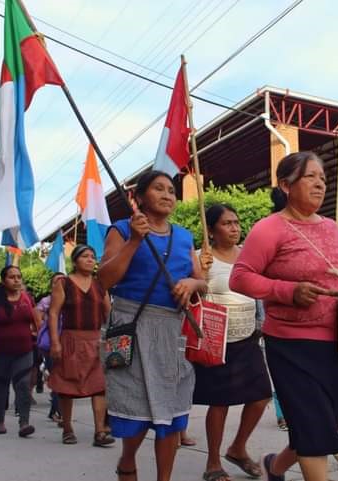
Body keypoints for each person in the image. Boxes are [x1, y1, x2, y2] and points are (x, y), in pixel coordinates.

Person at [229, 152, 338, 481]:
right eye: (310, 177)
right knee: (314, 430)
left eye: (323, 178)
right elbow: (240, 277)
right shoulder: (269, 229)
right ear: (286, 185)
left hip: (335, 345)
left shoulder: (331, 228)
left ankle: (275, 466)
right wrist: (288, 291)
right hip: (291, 345)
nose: (319, 184)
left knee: (318, 425)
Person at [98, 170, 207, 481]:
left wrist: (191, 283)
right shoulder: (120, 230)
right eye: (158, 188)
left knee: (171, 414)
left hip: (172, 332)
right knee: (134, 409)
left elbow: (203, 283)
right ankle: (128, 460)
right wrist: (134, 240)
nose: (167, 195)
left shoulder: (184, 236)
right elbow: (105, 280)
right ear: (139, 197)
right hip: (131, 327)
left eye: (171, 190)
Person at [193, 204, 272, 481]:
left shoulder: (248, 256)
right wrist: (200, 274)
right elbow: (194, 295)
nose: (235, 228)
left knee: (262, 395)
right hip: (217, 340)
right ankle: (213, 463)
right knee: (220, 403)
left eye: (236, 222)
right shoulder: (202, 258)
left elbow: (260, 290)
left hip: (248, 337)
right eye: (227, 223)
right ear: (212, 230)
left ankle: (238, 448)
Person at [49, 245, 114, 447]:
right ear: (75, 261)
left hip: (96, 340)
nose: (90, 259)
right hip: (71, 340)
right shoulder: (64, 283)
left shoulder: (99, 285)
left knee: (99, 386)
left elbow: (108, 313)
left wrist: (111, 338)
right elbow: (53, 313)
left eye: (93, 256)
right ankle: (67, 428)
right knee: (67, 386)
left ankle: (100, 432)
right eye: (85, 256)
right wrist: (55, 342)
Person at [0, 265, 41, 437]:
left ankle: (24, 423)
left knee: (23, 385)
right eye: (12, 277)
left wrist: (40, 336)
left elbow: (37, 319)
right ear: (4, 280)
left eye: (19, 277)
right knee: (0, 387)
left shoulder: (27, 298)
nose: (16, 280)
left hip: (24, 350)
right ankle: (0, 422)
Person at [36, 272, 66, 425]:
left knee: (64, 377)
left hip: (69, 342)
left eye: (63, 281)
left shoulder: (71, 300)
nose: (60, 284)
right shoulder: (46, 301)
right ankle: (57, 411)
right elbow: (38, 319)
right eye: (56, 281)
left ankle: (56, 410)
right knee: (56, 376)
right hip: (51, 345)